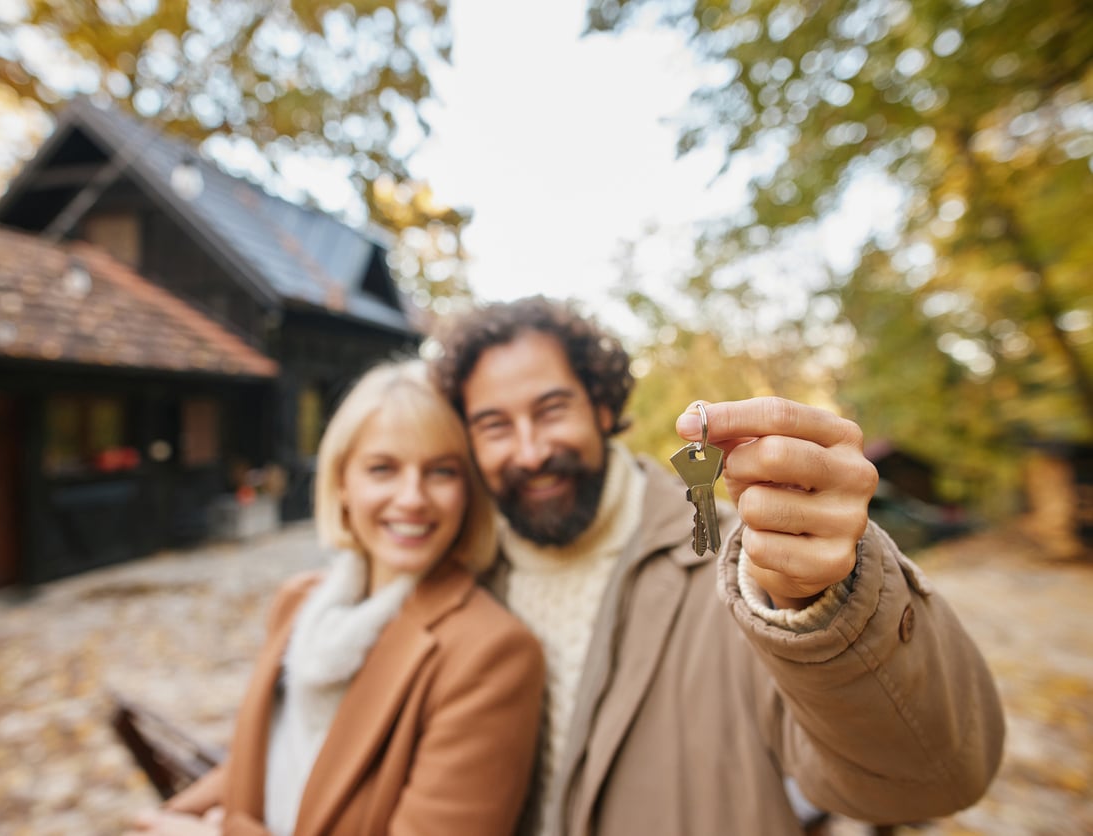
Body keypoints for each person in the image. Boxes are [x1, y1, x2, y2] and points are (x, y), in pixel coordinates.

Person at [427, 296, 1005, 836]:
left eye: (551, 410)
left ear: (603, 408)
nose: (529, 451)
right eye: (495, 425)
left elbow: (930, 778)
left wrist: (829, 603)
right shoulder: (456, 583)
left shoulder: (749, 571)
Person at [128, 360, 545, 836]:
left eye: (441, 471)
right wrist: (166, 819)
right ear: (343, 482)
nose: (412, 497)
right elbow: (268, 758)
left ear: (468, 492)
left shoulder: (488, 653)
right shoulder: (299, 603)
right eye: (383, 468)